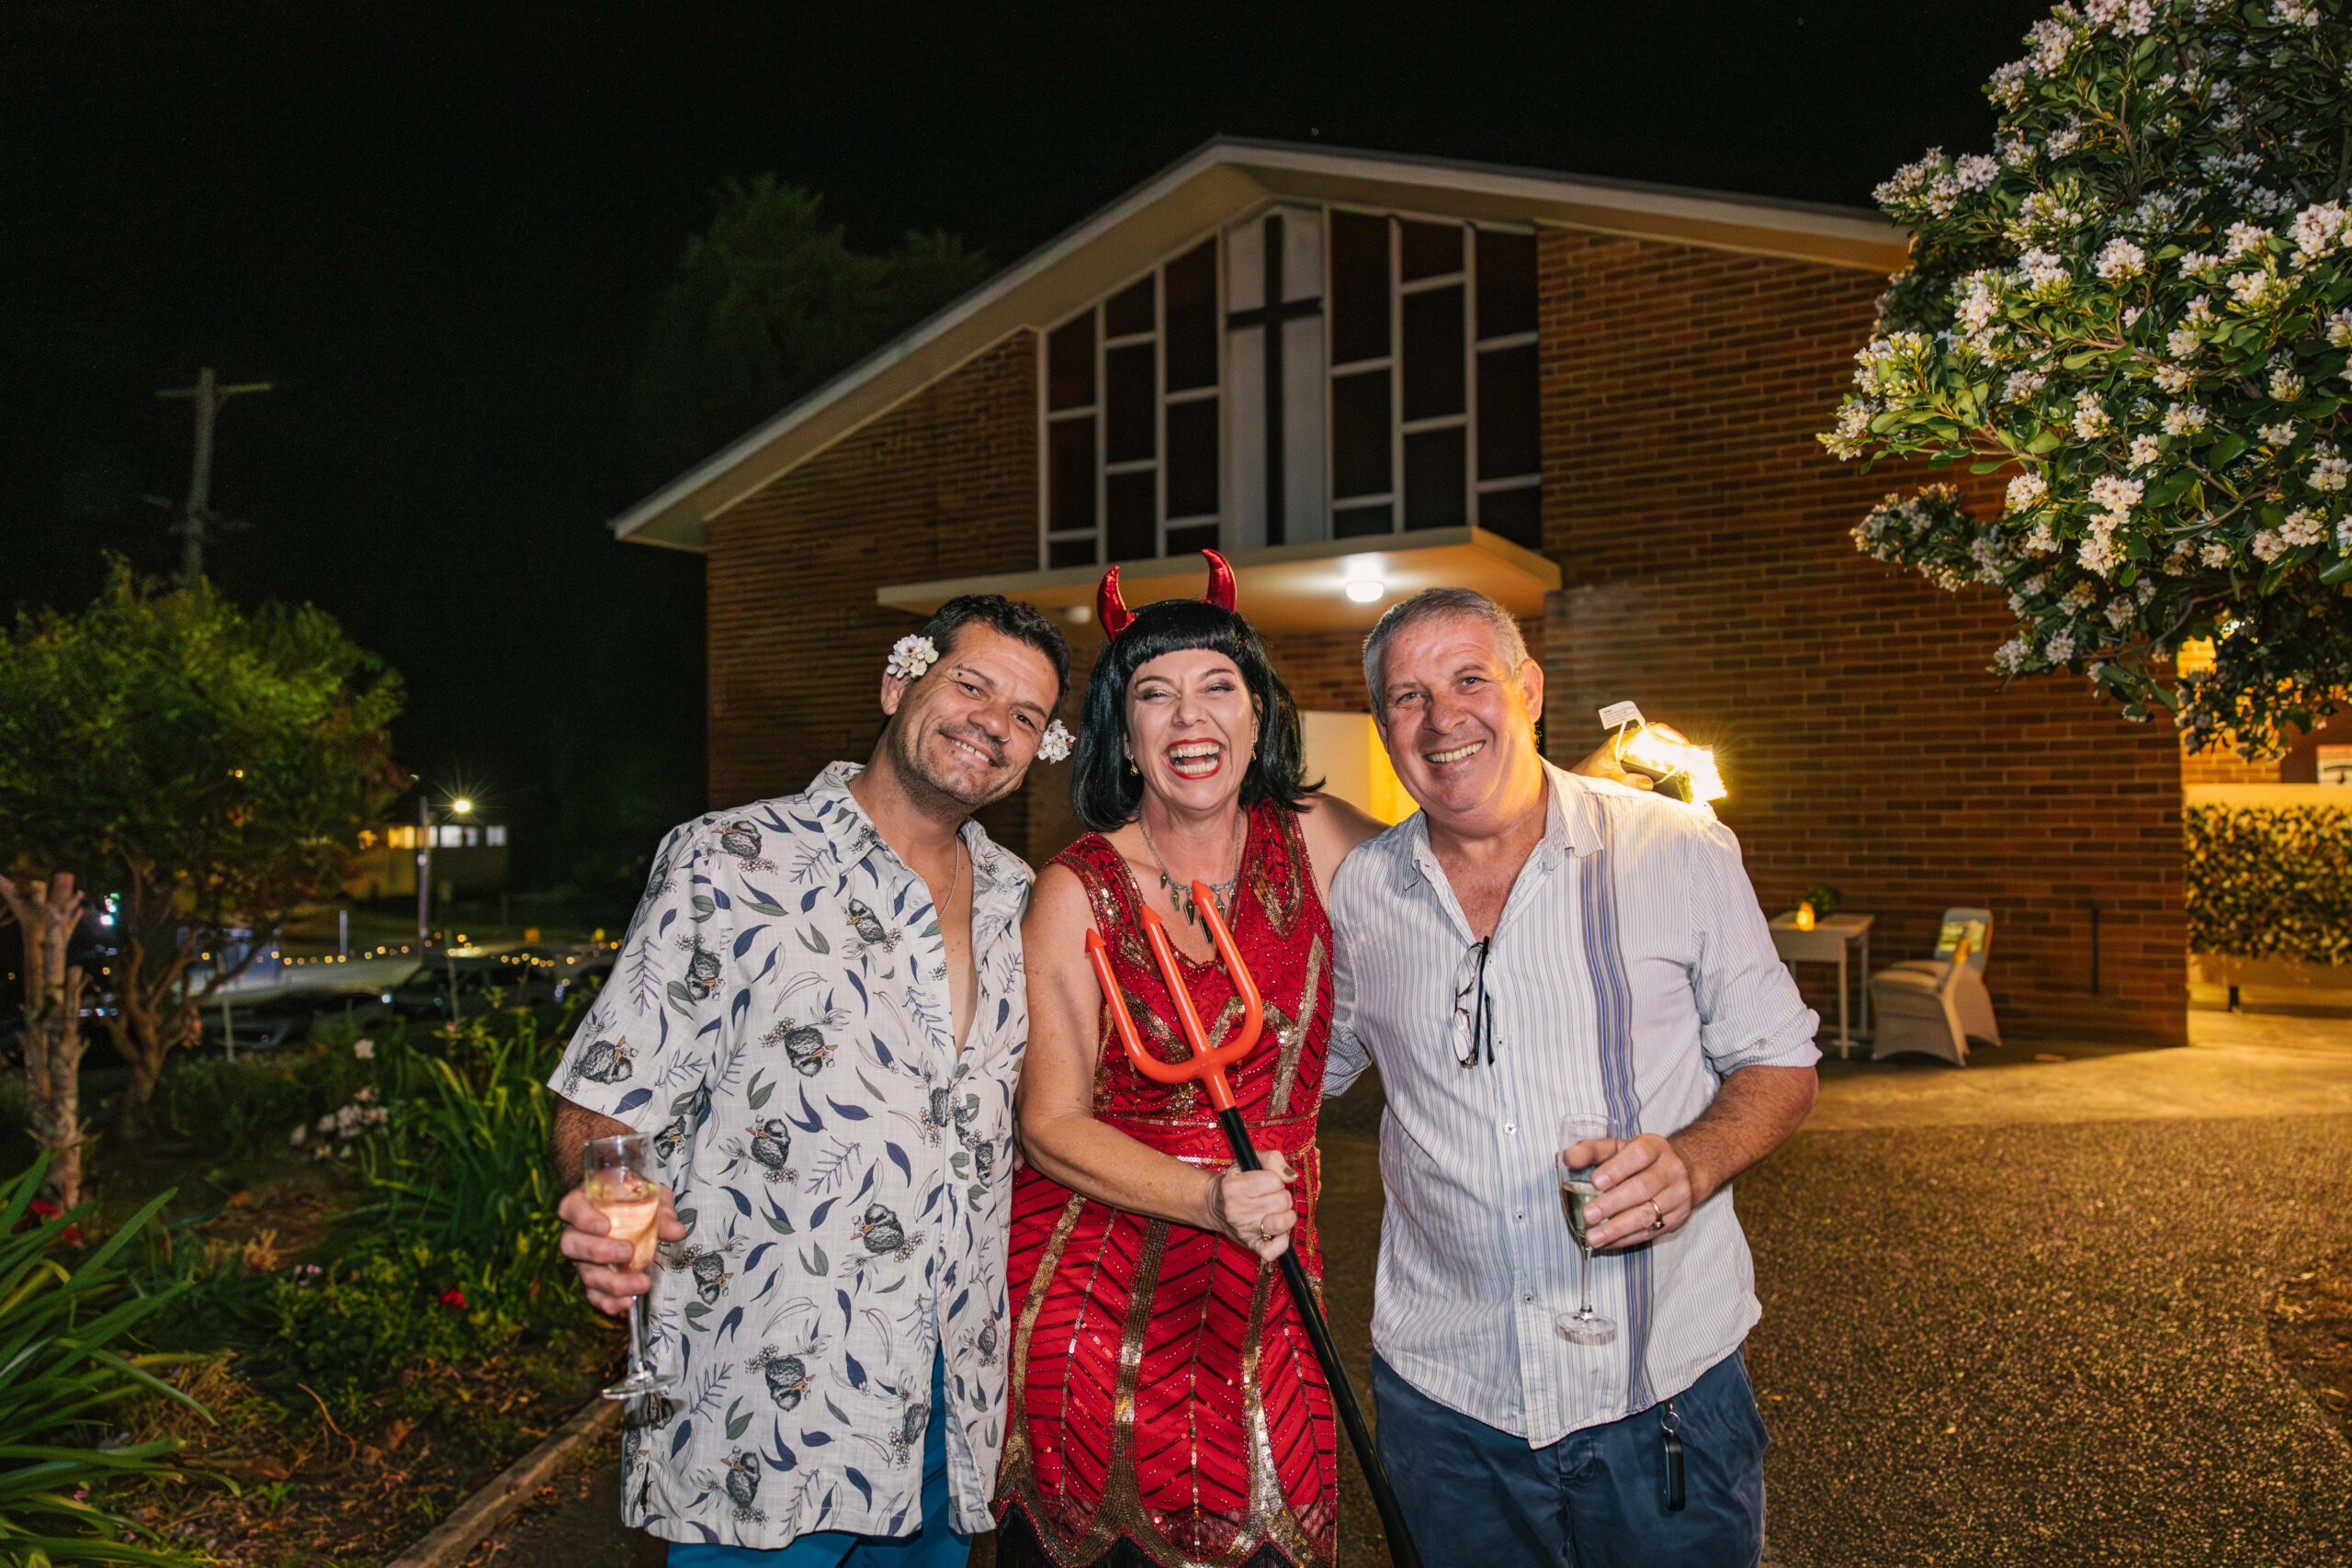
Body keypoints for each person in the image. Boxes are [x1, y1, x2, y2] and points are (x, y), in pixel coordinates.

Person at [548, 594, 1072, 1563]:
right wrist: (609, 1208)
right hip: (763, 1420)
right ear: (897, 682)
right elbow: (607, 1094)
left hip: (944, 1418)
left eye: (1026, 715)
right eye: (970, 684)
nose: (992, 724)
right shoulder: (729, 857)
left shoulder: (1022, 900)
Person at [1326, 587, 1820, 1568]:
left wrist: (1695, 1159)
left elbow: (1781, 1060)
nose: (1442, 718)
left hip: (1662, 1391)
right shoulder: (1361, 892)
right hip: (1446, 1407)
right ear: (1383, 726)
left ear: (1530, 689)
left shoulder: (1674, 848)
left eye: (1470, 680)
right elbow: (1300, 1072)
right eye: (1409, 697)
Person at [999, 555, 1388, 1568]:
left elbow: (1465, 886)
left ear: (1259, 715)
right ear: (1123, 737)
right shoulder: (1074, 891)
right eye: (1153, 694)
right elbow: (1049, 1124)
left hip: (1272, 1276)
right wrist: (1209, 1197)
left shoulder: (1321, 841)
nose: (1188, 717)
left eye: (1218, 685)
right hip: (1097, 1300)